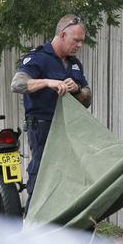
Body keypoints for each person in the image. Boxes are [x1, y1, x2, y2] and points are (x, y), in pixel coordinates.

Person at [10, 15, 93, 211]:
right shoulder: (38, 58)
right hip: (42, 127)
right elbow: (17, 84)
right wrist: (47, 82)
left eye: (82, 41)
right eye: (76, 40)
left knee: (71, 179)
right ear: (63, 35)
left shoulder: (74, 64)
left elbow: (87, 99)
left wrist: (77, 90)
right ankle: (31, 226)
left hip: (68, 129)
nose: (80, 45)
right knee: (42, 177)